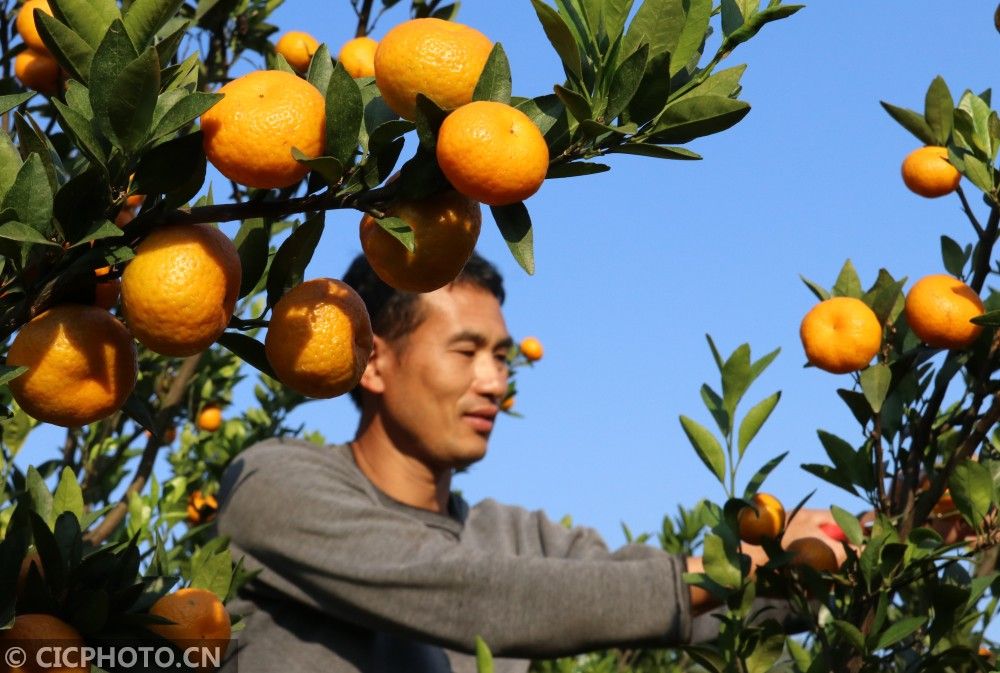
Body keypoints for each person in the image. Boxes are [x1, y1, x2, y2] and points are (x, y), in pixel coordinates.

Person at [215, 252, 844, 673]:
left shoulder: (517, 537)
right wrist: (731, 568)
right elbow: (468, 595)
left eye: (501, 357)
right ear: (372, 359)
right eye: (466, 351)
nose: (495, 383)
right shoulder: (271, 485)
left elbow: (669, 603)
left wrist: (835, 552)